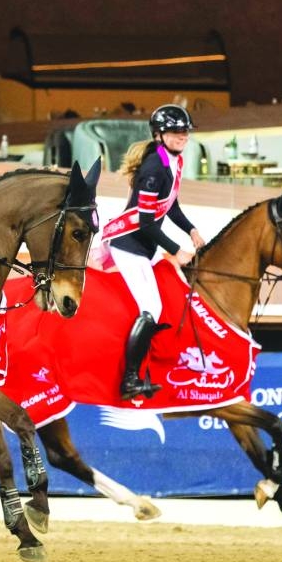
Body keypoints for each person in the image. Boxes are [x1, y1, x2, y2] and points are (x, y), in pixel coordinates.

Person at [100, 104, 207, 399]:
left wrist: (191, 230)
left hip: (145, 245)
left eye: (185, 131)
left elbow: (170, 204)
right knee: (152, 307)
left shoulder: (173, 160)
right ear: (159, 135)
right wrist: (176, 251)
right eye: (176, 131)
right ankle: (129, 380)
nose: (183, 136)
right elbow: (146, 223)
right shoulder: (153, 169)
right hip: (130, 246)